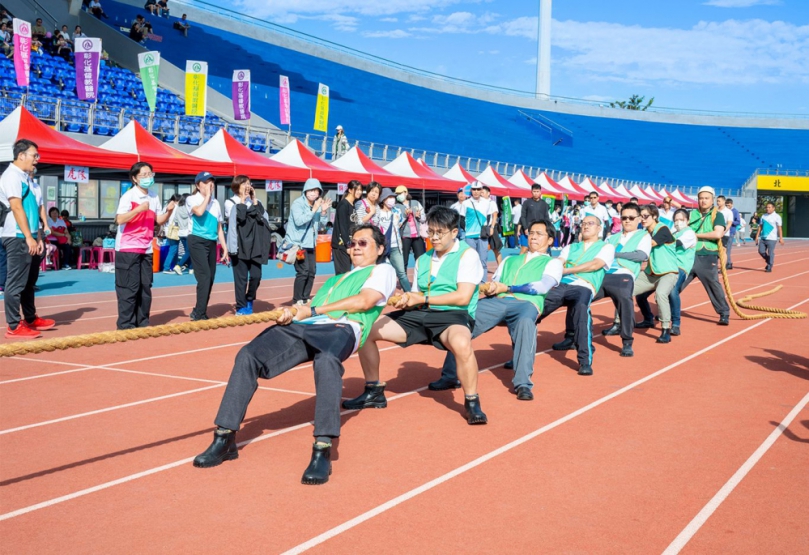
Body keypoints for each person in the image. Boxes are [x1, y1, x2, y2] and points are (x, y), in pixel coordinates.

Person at [193, 224, 396, 484]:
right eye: (353, 242)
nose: (355, 247)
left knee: (326, 362)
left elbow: (365, 302)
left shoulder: (382, 270)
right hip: (305, 327)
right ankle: (224, 437)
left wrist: (314, 311)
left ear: (379, 249)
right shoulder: (336, 280)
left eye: (363, 243)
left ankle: (322, 449)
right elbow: (309, 309)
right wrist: (294, 312)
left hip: (342, 328)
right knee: (248, 355)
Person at [343, 206, 488, 424]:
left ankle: (472, 401)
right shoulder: (423, 259)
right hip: (423, 313)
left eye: (440, 232)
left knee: (461, 344)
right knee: (366, 329)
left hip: (454, 316)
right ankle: (374, 391)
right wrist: (408, 299)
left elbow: (463, 298)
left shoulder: (469, 255)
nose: (434, 237)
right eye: (431, 232)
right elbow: (418, 293)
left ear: (454, 233)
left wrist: (422, 299)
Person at [429, 219, 563, 400]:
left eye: (539, 234)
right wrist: (490, 287)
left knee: (525, 324)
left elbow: (542, 287)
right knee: (461, 322)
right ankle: (450, 376)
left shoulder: (553, 263)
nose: (533, 237)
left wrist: (507, 288)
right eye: (531, 233)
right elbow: (496, 282)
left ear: (550, 240)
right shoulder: (509, 260)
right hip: (498, 301)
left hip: (526, 304)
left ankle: (523, 383)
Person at [546, 215, 614, 376]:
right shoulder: (571, 247)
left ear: (599, 228)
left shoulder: (606, 247)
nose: (585, 226)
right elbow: (559, 261)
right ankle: (519, 354)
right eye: (583, 223)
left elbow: (594, 265)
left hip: (584, 286)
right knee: (534, 310)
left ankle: (584, 361)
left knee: (581, 313)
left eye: (590, 223)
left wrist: (567, 270)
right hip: (562, 284)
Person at [1, 139, 55, 339]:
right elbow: (16, 207)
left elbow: (35, 210)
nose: (37, 160)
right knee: (15, 282)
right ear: (21, 155)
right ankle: (13, 325)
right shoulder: (11, 176)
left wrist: (38, 236)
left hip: (30, 236)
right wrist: (27, 237)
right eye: (35, 155)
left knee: (29, 281)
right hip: (16, 236)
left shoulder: (26, 178)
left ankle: (30, 318)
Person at [115, 162, 174, 329]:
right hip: (127, 248)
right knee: (129, 288)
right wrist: (138, 209)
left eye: (150, 174)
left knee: (145, 287)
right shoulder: (129, 196)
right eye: (144, 175)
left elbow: (159, 220)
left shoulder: (154, 196)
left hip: (146, 248)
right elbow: (119, 219)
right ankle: (126, 324)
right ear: (134, 178)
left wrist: (169, 210)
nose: (148, 178)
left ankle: (143, 321)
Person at [600, 203, 650, 357]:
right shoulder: (611, 237)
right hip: (604, 274)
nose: (627, 221)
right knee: (579, 296)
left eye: (631, 218)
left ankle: (627, 341)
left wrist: (616, 254)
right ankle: (572, 336)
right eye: (624, 218)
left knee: (625, 301)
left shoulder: (644, 235)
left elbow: (641, 255)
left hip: (624, 274)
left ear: (639, 219)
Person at [637, 208, 696, 336]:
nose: (678, 222)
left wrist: (663, 238)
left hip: (679, 267)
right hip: (661, 267)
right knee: (640, 295)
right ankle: (648, 318)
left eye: (681, 220)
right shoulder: (673, 231)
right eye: (676, 220)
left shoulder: (689, 233)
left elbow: (676, 244)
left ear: (688, 221)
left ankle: (675, 324)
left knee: (672, 291)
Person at [681, 186, 730, 325]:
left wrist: (695, 235)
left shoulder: (717, 215)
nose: (703, 201)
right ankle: (664, 310)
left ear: (712, 200)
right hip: (689, 255)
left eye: (706, 198)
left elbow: (718, 233)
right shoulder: (691, 214)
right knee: (676, 283)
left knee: (713, 285)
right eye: (701, 198)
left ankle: (724, 313)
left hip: (707, 256)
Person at [633, 204, 679, 344]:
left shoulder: (663, 229)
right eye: (641, 216)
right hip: (651, 273)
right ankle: (645, 320)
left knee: (660, 294)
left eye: (645, 216)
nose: (643, 219)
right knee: (625, 290)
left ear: (654, 217)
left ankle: (666, 329)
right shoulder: (644, 231)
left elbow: (649, 244)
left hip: (667, 272)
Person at [187, 172, 228, 321]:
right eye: (205, 182)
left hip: (211, 242)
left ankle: (199, 309)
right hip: (196, 240)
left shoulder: (216, 203)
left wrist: (224, 247)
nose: (210, 185)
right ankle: (200, 314)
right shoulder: (191, 199)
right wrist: (207, 197)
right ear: (198, 185)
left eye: (212, 182)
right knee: (204, 277)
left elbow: (218, 227)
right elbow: (198, 212)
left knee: (210, 278)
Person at [227, 176, 270, 316]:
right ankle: (241, 306)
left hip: (255, 247)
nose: (246, 186)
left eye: (248, 183)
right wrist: (242, 200)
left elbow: (264, 219)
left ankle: (249, 298)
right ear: (237, 187)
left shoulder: (257, 203)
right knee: (241, 279)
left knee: (256, 276)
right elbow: (237, 222)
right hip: (240, 247)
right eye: (243, 184)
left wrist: (254, 200)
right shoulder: (231, 202)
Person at [288, 178, 328, 305]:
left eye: (316, 191)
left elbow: (322, 225)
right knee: (303, 271)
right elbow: (299, 221)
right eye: (311, 190)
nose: (313, 193)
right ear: (305, 191)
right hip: (299, 244)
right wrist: (314, 210)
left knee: (311, 272)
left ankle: (305, 298)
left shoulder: (315, 206)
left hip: (311, 244)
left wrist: (323, 212)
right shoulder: (298, 204)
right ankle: (297, 299)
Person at [373, 188, 410, 291]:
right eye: (389, 197)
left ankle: (410, 294)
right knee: (380, 272)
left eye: (393, 197)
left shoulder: (397, 211)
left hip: (395, 246)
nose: (392, 200)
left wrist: (406, 215)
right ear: (383, 199)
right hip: (382, 247)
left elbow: (399, 224)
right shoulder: (378, 212)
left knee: (401, 273)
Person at [461, 181, 494, 281]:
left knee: (483, 260)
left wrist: (488, 228)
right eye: (474, 189)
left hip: (482, 236)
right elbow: (461, 219)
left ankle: (482, 283)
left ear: (481, 190)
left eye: (478, 189)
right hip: (470, 236)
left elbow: (490, 217)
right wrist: (467, 230)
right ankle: (471, 282)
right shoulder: (466, 203)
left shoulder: (487, 203)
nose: (476, 191)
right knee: (470, 261)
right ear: (471, 190)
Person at [332, 180, 362, 275]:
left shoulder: (353, 205)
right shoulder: (343, 205)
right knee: (342, 274)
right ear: (350, 190)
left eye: (360, 190)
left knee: (347, 273)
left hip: (349, 244)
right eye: (356, 190)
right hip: (341, 245)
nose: (359, 192)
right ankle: (337, 290)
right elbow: (343, 227)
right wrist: (347, 245)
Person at [396, 186, 426, 271]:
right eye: (397, 194)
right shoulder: (396, 206)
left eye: (400, 193)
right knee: (404, 260)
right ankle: (404, 282)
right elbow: (397, 223)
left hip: (417, 235)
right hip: (405, 236)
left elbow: (423, 219)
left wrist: (419, 216)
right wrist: (405, 215)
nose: (398, 195)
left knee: (420, 259)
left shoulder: (415, 203)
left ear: (406, 192)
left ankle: (420, 279)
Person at [518, 184, 550, 253]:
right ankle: (520, 263)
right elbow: (523, 216)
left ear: (540, 192)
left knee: (537, 249)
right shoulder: (526, 203)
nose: (536, 193)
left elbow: (546, 217)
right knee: (524, 248)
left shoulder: (544, 204)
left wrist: (548, 228)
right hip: (527, 230)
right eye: (534, 191)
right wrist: (525, 228)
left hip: (539, 230)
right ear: (531, 192)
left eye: (537, 191)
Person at [756, 201, 783, 272]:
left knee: (770, 252)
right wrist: (757, 236)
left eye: (769, 207)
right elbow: (760, 227)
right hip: (763, 238)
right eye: (766, 207)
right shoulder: (763, 216)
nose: (767, 209)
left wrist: (781, 238)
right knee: (761, 251)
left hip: (772, 238)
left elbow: (779, 228)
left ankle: (769, 266)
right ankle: (769, 260)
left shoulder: (777, 217)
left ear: (773, 208)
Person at [480, 186, 503, 265]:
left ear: (488, 193)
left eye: (482, 192)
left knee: (496, 249)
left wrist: (492, 227)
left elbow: (495, 215)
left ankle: (500, 268)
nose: (481, 194)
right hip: (482, 228)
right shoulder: (478, 203)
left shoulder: (492, 203)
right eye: (480, 192)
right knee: (482, 248)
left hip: (491, 227)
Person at [716, 195, 734, 270]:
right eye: (717, 201)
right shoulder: (715, 210)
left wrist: (723, 231)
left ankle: (722, 267)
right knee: (714, 250)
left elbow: (729, 223)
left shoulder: (728, 212)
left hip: (724, 234)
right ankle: (715, 266)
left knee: (723, 251)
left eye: (719, 201)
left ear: (724, 201)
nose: (717, 202)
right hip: (715, 233)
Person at [725, 198, 741, 268]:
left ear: (732, 204)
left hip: (731, 232)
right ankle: (728, 262)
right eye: (726, 205)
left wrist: (730, 222)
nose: (727, 206)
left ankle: (728, 264)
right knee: (723, 249)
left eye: (729, 205)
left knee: (727, 249)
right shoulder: (725, 211)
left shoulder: (735, 211)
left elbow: (738, 221)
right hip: (724, 232)